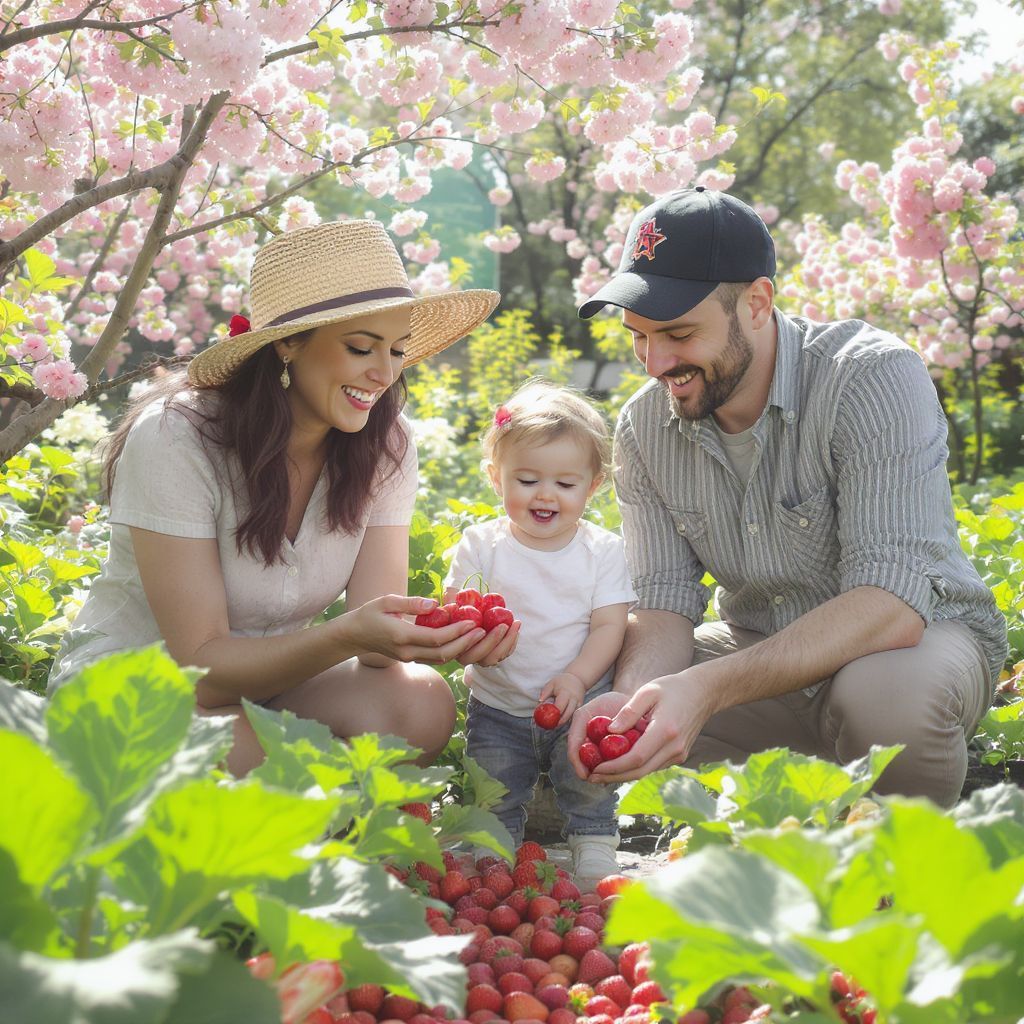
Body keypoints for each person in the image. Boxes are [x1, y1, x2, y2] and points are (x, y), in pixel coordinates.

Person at [567, 188, 1009, 808]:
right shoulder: (645, 429)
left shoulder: (871, 376)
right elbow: (663, 602)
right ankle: (781, 839)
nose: (654, 362)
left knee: (884, 701)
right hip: (760, 649)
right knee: (602, 696)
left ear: (756, 302)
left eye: (678, 332)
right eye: (638, 336)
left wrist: (707, 690)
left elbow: (891, 604)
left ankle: (899, 887)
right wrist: (634, 697)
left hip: (913, 642)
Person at [48, 219, 512, 776]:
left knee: (419, 703)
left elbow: (372, 643)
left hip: (273, 690)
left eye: (396, 349)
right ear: (288, 343)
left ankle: (297, 819)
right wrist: (342, 634)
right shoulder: (176, 437)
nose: (384, 373)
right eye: (361, 347)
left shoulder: (386, 441)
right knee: (278, 761)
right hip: (144, 692)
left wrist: (439, 635)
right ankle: (313, 822)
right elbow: (201, 663)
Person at [444, 380, 637, 886]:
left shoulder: (602, 551)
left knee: (587, 780)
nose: (545, 495)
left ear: (592, 487)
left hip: (578, 697)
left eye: (566, 485)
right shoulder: (481, 546)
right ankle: (492, 847)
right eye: (527, 480)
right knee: (494, 785)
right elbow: (460, 608)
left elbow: (608, 625)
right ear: (495, 477)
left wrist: (577, 678)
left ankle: (593, 842)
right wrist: (470, 635)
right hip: (497, 703)